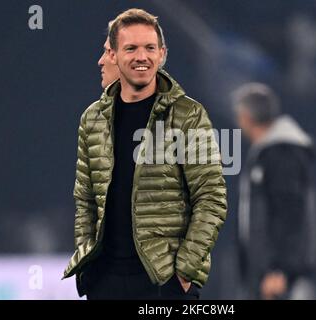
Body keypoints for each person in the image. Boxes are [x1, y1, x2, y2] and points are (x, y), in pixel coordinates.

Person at [62, 8, 227, 300]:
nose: (142, 57)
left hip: (164, 285)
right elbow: (85, 199)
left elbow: (211, 197)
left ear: (162, 54)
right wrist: (87, 260)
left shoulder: (187, 114)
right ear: (112, 54)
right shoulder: (92, 119)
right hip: (105, 282)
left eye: (150, 48)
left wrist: (185, 270)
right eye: (131, 48)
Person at [234, 83, 316, 300]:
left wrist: (279, 269)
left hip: (279, 278)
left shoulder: (282, 153)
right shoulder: (269, 151)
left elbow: (290, 213)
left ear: (245, 116)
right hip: (267, 274)